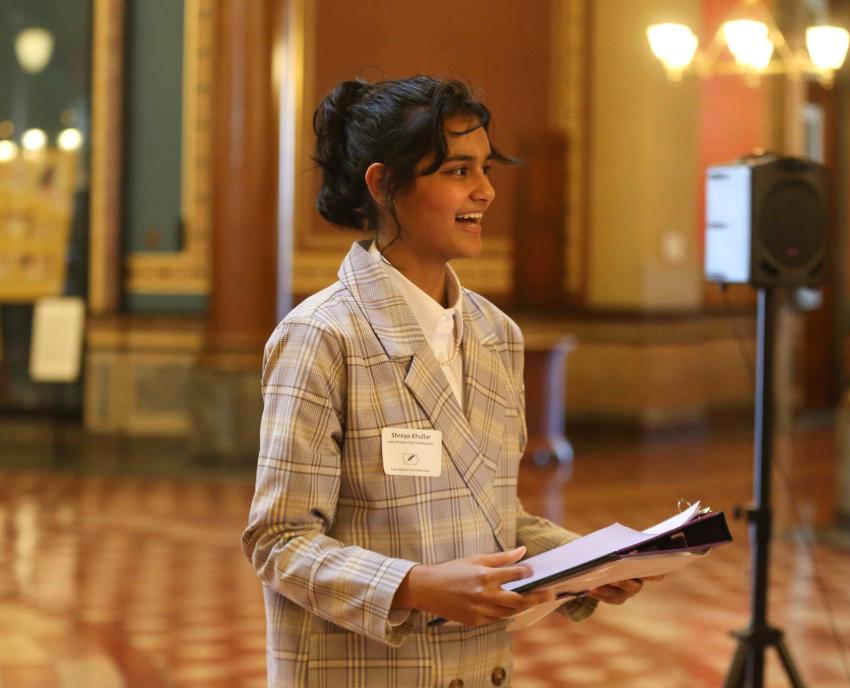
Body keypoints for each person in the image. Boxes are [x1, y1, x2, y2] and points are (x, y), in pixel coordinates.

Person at [242, 75, 648, 688]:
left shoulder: (496, 334)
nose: (484, 190)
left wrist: (583, 562)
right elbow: (278, 542)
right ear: (383, 186)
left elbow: (492, 513)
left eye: (486, 168)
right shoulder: (323, 336)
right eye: (458, 170)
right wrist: (417, 587)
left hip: (477, 667)